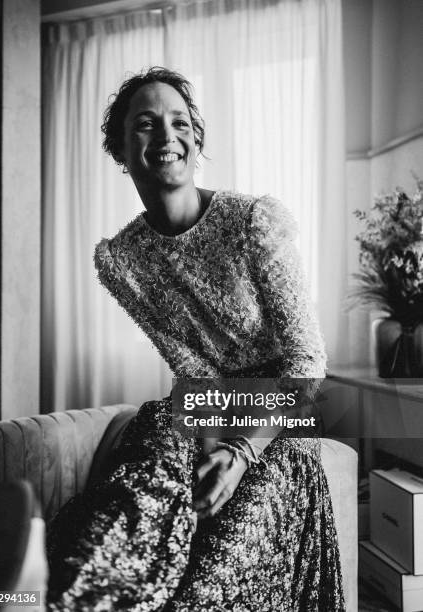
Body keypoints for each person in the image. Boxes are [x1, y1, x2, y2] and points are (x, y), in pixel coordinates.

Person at [46, 67, 345, 611]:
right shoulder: (122, 260)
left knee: (218, 559)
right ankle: (62, 594)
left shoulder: (254, 221)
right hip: (202, 408)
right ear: (118, 146)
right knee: (141, 488)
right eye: (146, 124)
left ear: (196, 138)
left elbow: (307, 358)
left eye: (179, 122)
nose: (166, 137)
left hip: (279, 421)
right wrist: (205, 442)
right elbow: (190, 367)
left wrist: (238, 452)